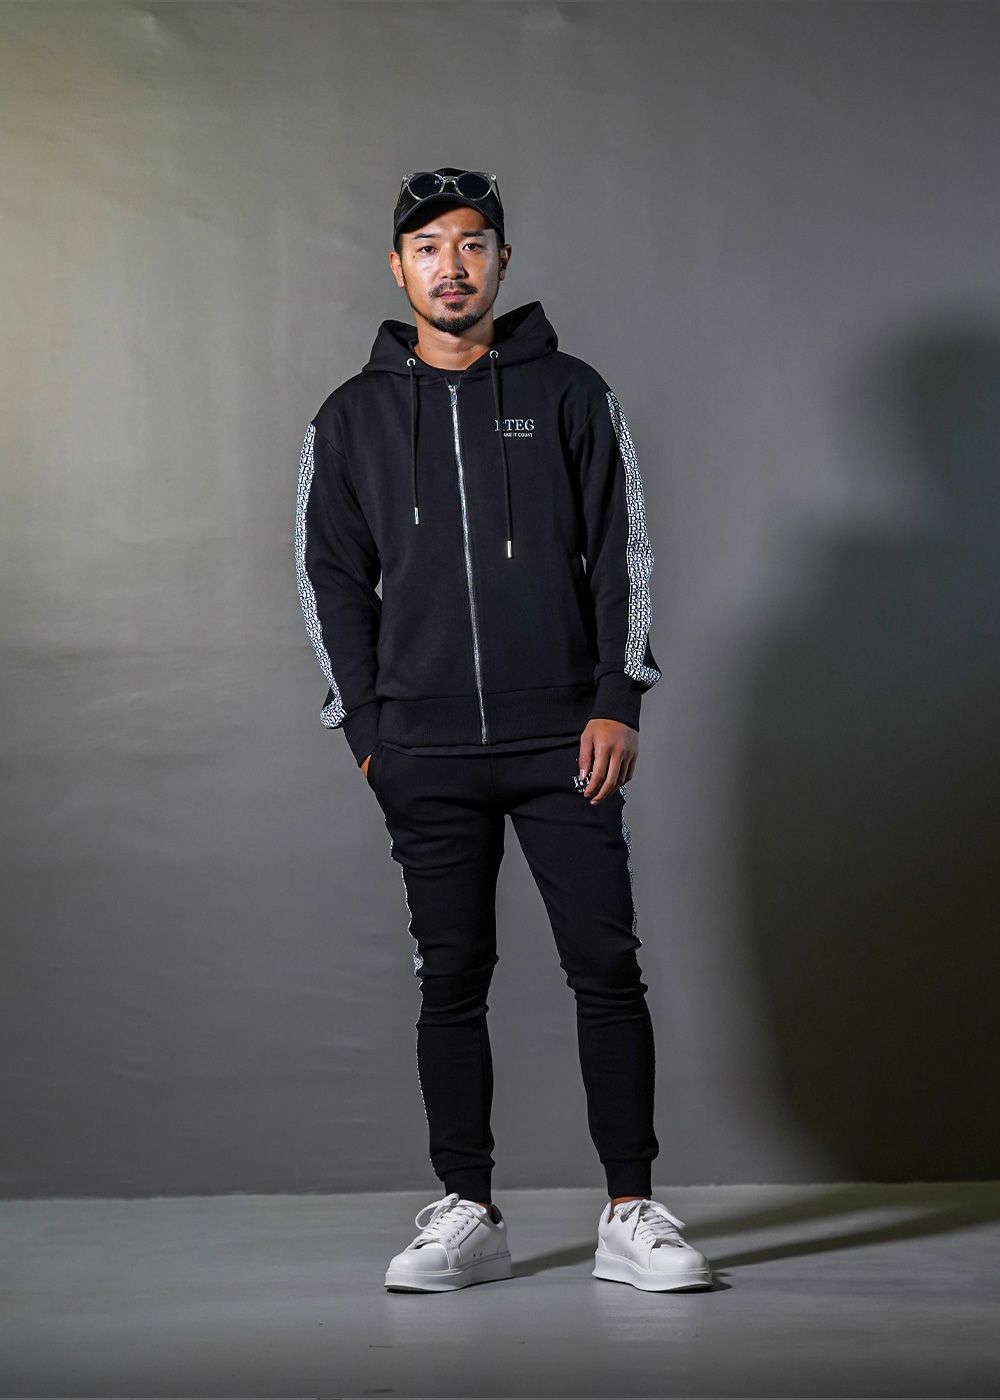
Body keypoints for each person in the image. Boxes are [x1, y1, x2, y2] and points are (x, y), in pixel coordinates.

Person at [295, 167, 713, 1294]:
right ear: (398, 267)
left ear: (501, 262)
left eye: (472, 243)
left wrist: (617, 696)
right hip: (422, 750)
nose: (453, 265)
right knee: (450, 977)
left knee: (605, 967)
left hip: (562, 741)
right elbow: (329, 577)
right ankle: (467, 1210)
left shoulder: (570, 392)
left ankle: (629, 1208)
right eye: (430, 246)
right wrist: (366, 730)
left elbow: (623, 548)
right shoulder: (351, 416)